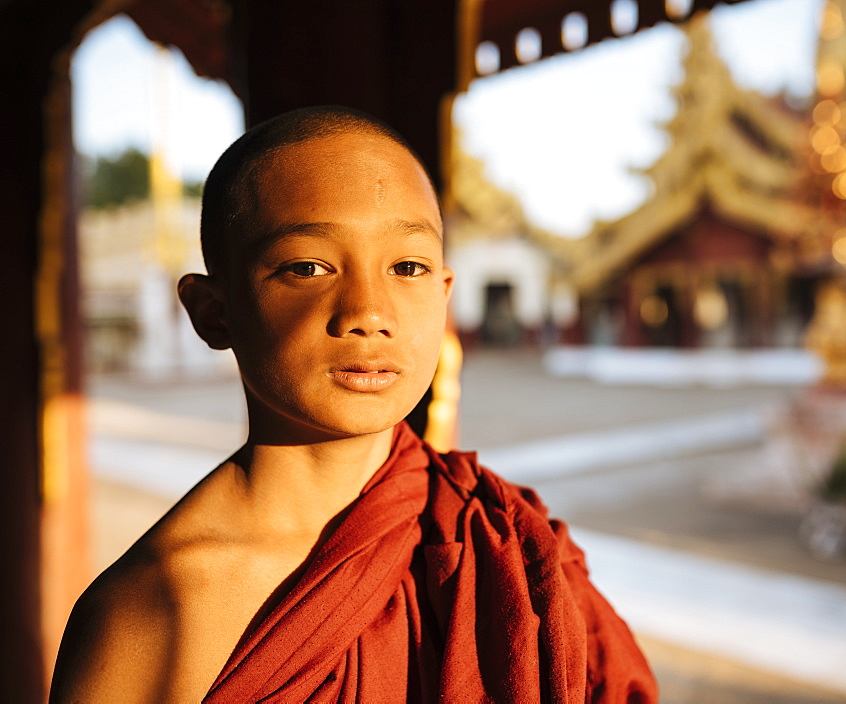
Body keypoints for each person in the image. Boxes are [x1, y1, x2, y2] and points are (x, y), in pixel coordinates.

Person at [51, 106, 658, 702]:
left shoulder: (506, 548)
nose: (369, 311)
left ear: (443, 295)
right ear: (214, 312)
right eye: (308, 267)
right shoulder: (155, 610)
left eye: (408, 266)